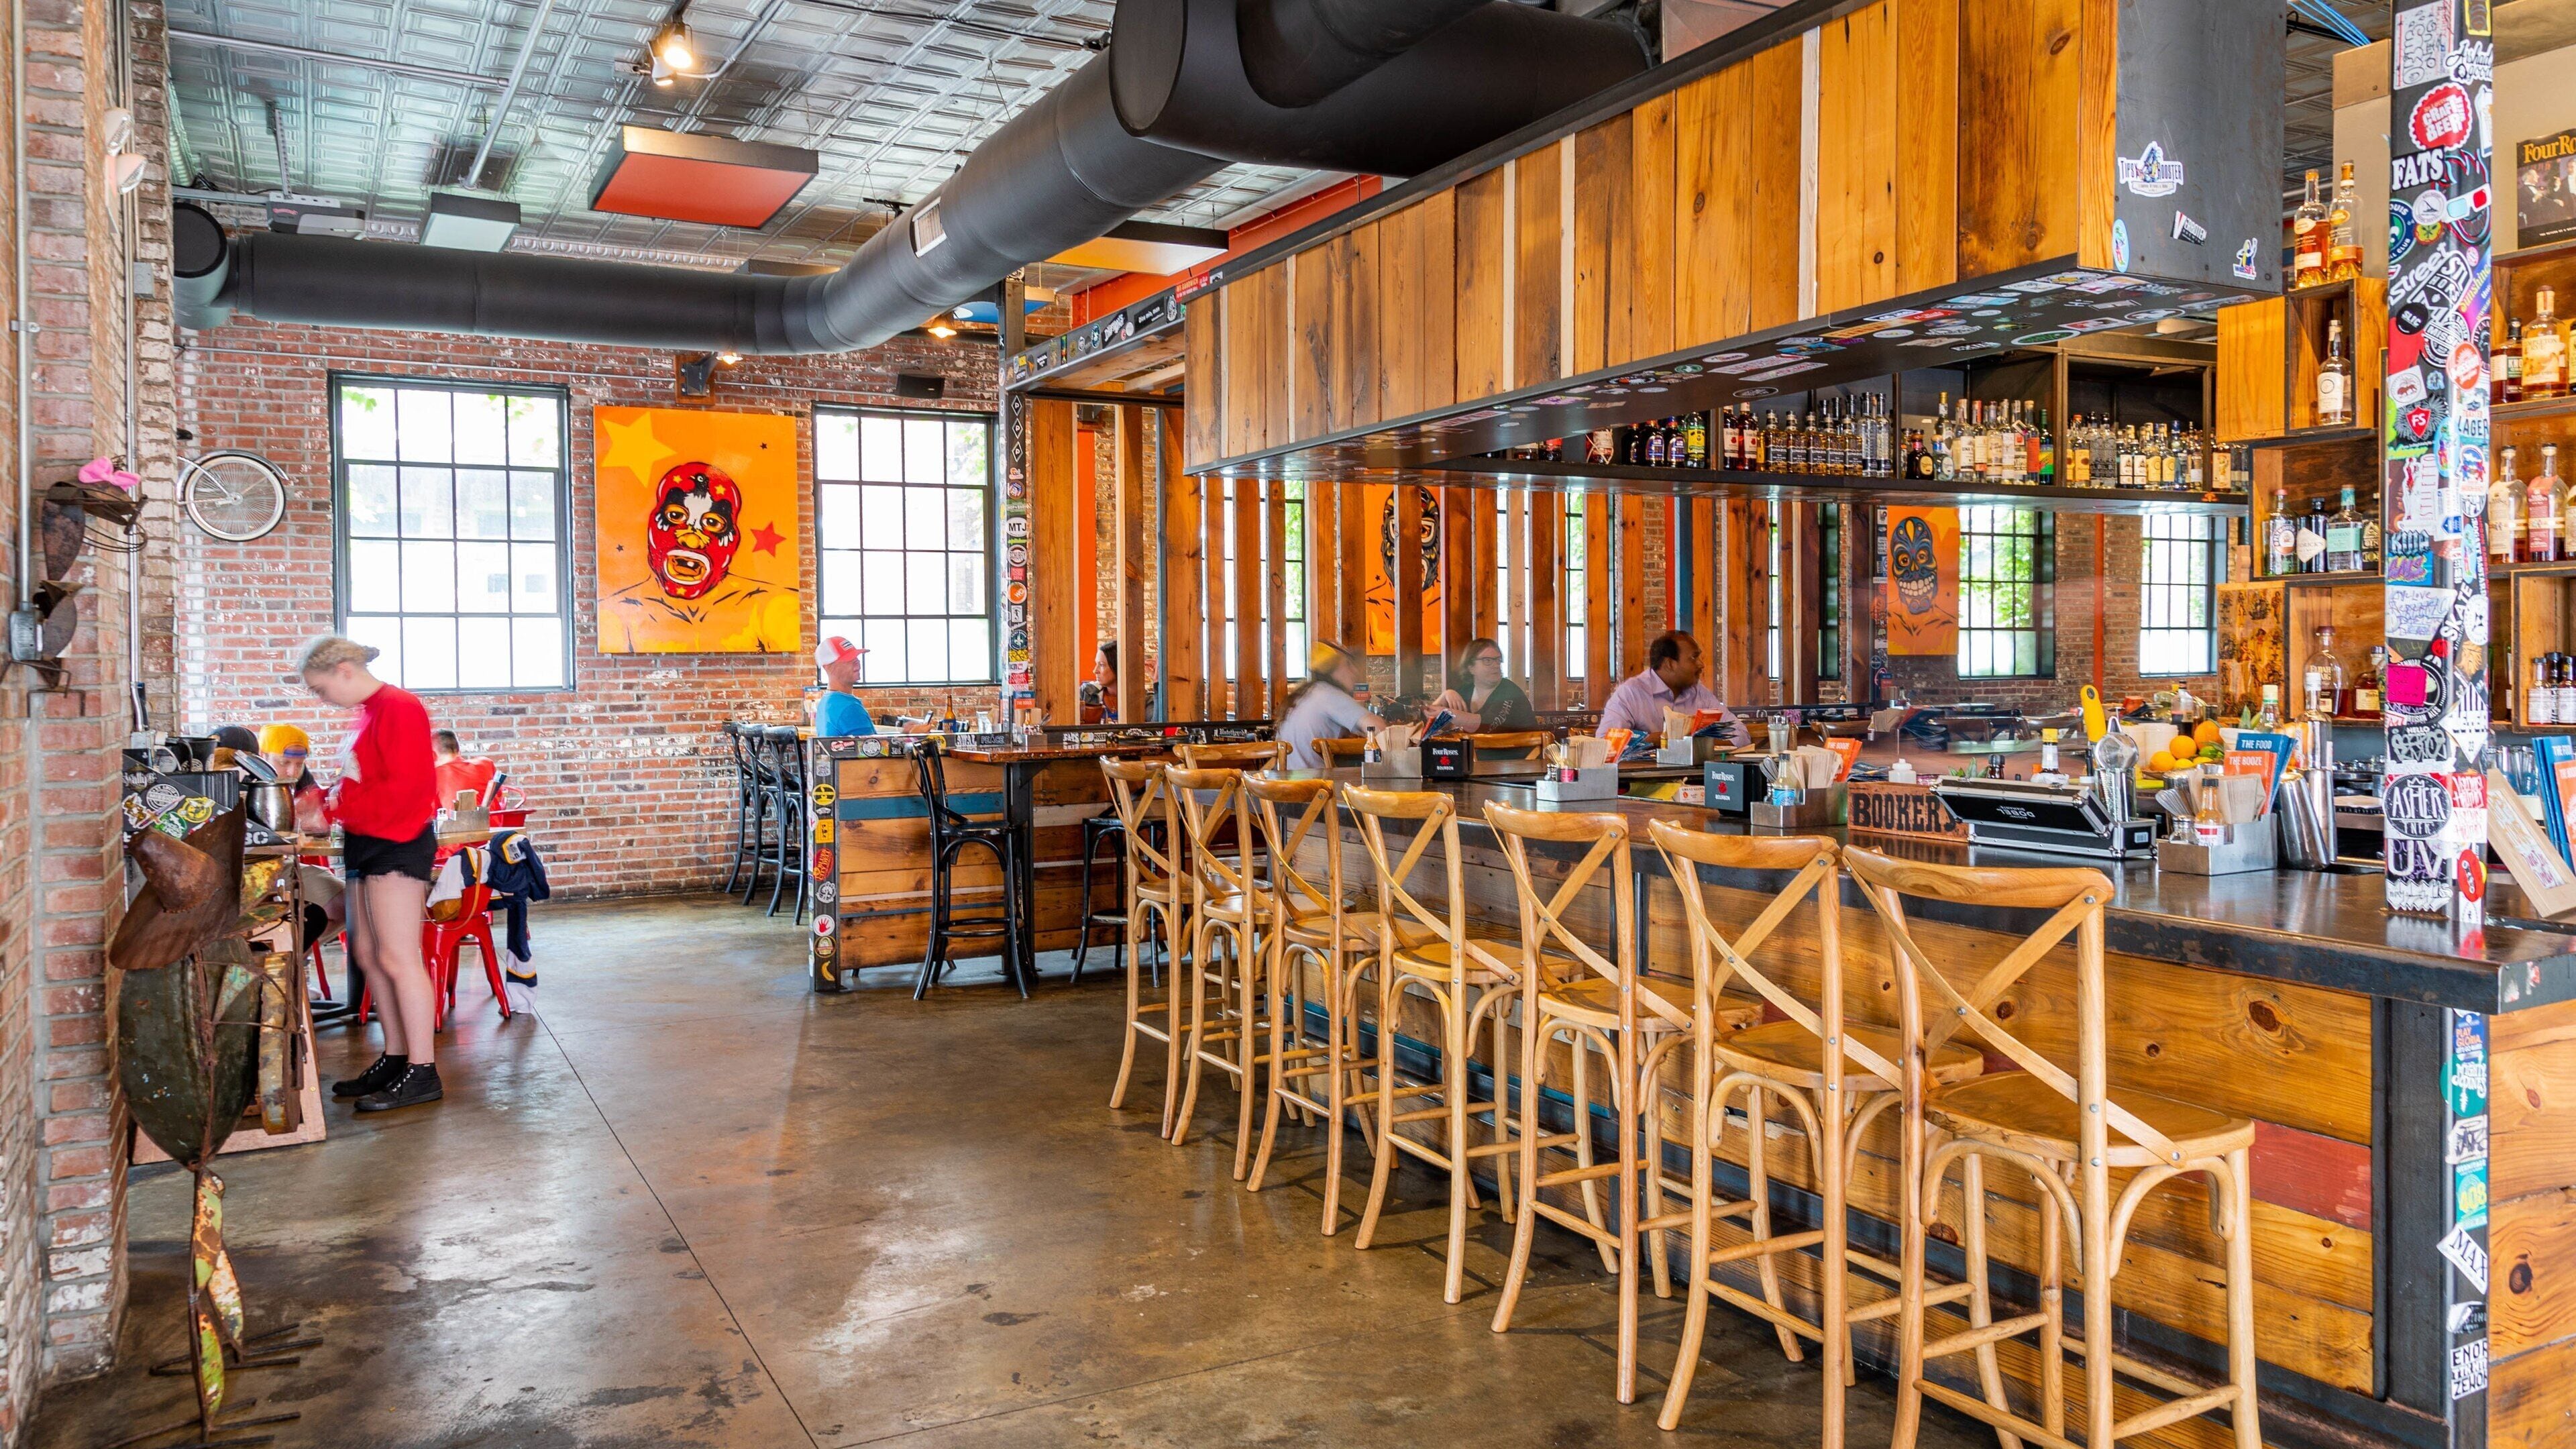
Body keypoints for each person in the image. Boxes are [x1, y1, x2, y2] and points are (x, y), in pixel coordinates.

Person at [297, 634, 445, 1112]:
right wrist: (326, 804)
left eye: (321, 690)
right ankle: (397, 1056)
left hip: (396, 840)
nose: (323, 700)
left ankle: (422, 1071)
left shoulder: (400, 707)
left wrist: (333, 812)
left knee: (399, 956)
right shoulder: (370, 714)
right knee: (368, 951)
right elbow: (364, 784)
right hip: (368, 841)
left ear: (344, 669)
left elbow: (405, 791)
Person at [1597, 630, 1749, 747]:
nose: (1701, 664)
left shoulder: (1700, 693)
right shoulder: (1631, 693)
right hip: (1646, 783)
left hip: (1697, 782)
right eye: (1694, 658)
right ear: (1669, 664)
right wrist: (1661, 739)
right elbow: (1605, 741)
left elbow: (1741, 735)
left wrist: (1690, 743)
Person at [1276, 641, 1385, 769]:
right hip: (1313, 785)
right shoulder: (1329, 694)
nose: (1355, 671)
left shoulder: (1309, 692)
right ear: (1333, 669)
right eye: (1348, 664)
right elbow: (1378, 728)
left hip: (1288, 782)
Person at [1432, 637, 1536, 735]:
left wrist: (1447, 713)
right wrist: (1445, 695)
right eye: (1487, 661)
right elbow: (1430, 726)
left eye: (1498, 660)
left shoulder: (1509, 691)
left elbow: (1485, 726)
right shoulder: (1466, 690)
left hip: (1517, 752)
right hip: (1477, 752)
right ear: (1471, 667)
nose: (1496, 665)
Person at [813, 636, 877, 737]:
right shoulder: (849, 707)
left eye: (856, 657)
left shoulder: (826, 702)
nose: (857, 662)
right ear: (828, 667)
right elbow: (874, 749)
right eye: (849, 659)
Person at [432, 730, 497, 811]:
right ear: (458, 750)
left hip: (458, 823)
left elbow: (428, 814)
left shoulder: (435, 776)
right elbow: (499, 795)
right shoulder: (486, 763)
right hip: (495, 822)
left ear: (433, 755)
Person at [1079, 641, 1118, 723]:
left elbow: (1152, 728)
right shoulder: (1086, 692)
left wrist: (1153, 683)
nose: (1095, 671)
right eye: (1096, 664)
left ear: (1117, 666)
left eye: (1102, 665)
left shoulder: (1141, 699)